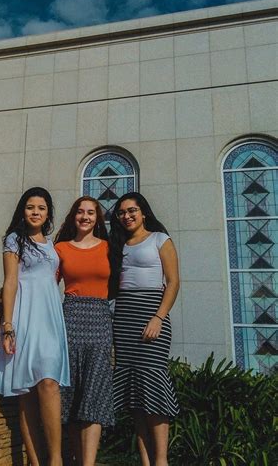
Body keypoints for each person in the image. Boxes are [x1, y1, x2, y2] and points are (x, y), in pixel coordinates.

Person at [0, 187, 69, 466]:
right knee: (26, 391)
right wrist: (8, 326)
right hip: (25, 316)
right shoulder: (15, 240)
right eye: (30, 207)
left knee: (49, 383)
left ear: (48, 213)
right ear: (22, 211)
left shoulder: (52, 244)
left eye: (41, 208)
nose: (35, 212)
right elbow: (10, 282)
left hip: (50, 318)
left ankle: (56, 459)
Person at [109, 192, 180, 466]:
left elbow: (173, 283)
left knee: (153, 385)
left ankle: (161, 461)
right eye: (122, 212)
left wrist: (158, 317)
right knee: (134, 394)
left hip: (151, 314)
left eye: (132, 211)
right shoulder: (119, 245)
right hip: (124, 318)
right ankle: (145, 461)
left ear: (143, 213)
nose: (127, 216)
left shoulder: (160, 239)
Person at [55, 196, 115, 466]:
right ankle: (73, 458)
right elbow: (46, 284)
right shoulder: (61, 249)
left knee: (95, 392)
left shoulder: (109, 248)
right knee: (70, 392)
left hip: (101, 319)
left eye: (91, 212)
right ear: (73, 216)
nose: (85, 216)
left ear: (97, 219)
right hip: (70, 319)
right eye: (80, 211)